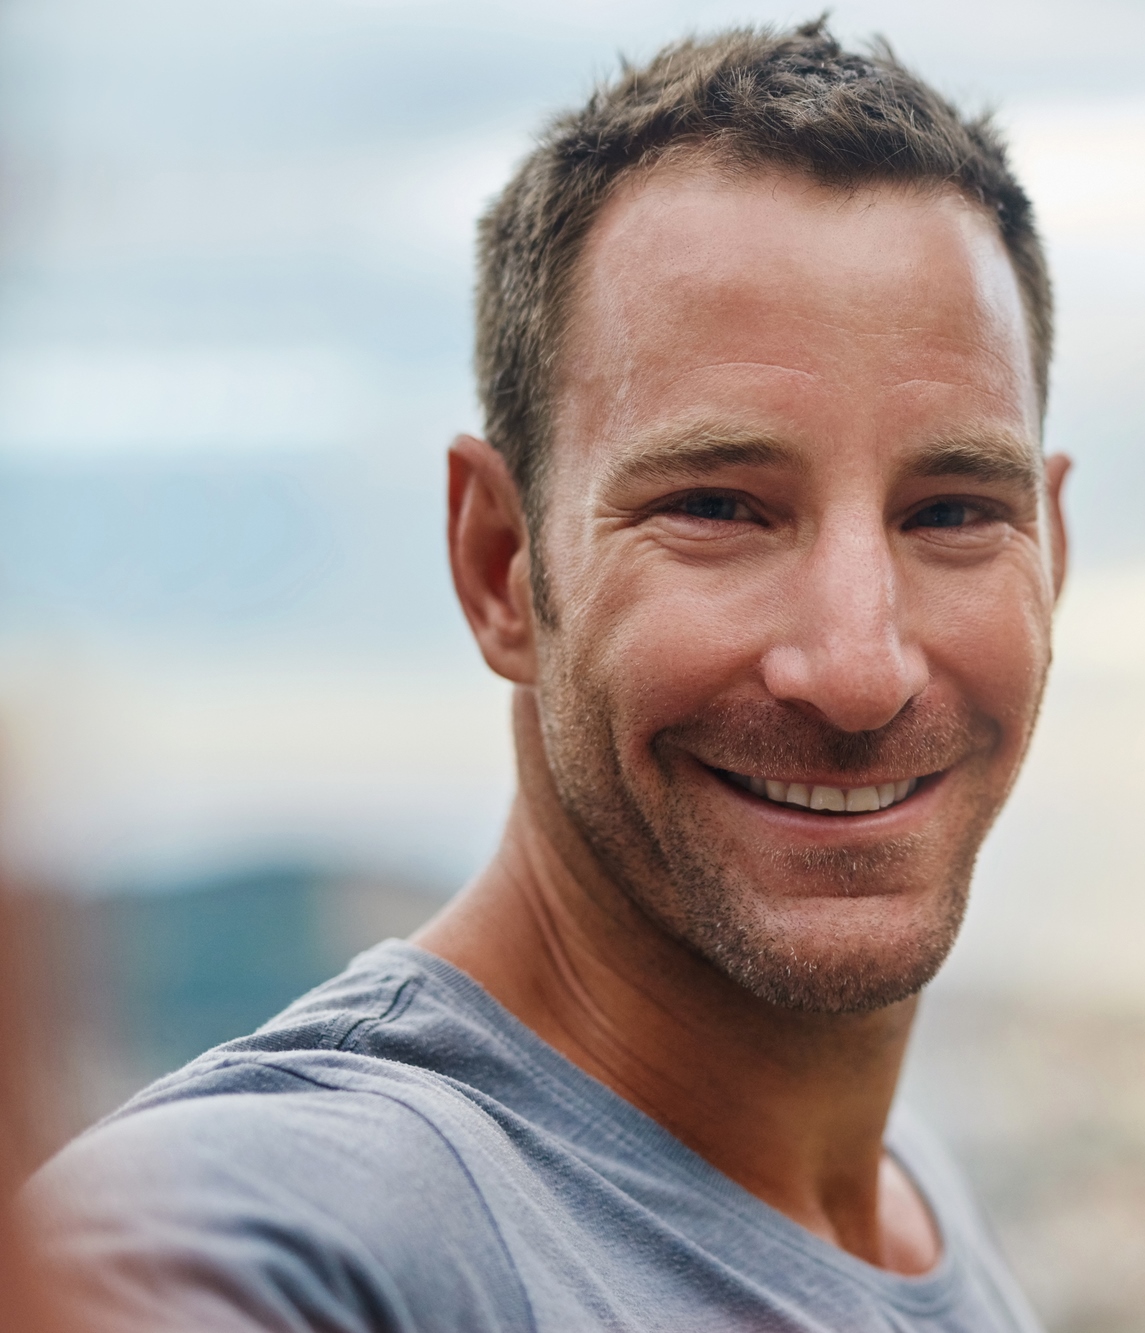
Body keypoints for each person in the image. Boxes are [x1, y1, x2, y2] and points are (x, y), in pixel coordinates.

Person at [26, 20, 1068, 1331]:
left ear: (1055, 555)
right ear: (501, 562)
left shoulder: (909, 1201)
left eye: (955, 511)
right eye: (718, 505)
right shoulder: (287, 1227)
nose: (858, 669)